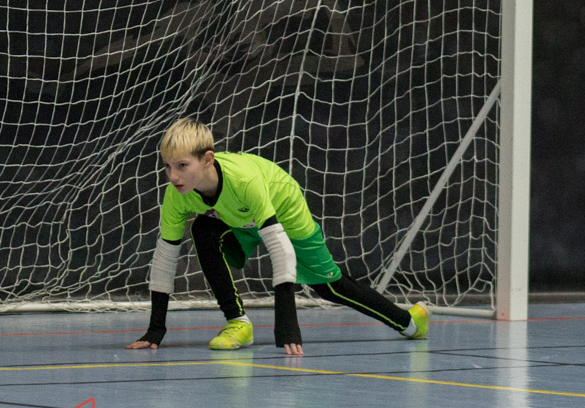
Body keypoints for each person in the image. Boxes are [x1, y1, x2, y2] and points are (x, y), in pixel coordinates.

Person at [126, 118, 428, 355]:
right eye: (168, 167)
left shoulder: (244, 181)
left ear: (207, 159)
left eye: (182, 166)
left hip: (284, 212)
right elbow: (165, 257)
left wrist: (287, 325)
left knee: (329, 287)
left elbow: (279, 249)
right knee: (202, 230)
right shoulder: (177, 195)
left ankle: (410, 322)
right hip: (239, 221)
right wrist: (155, 329)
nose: (173, 176)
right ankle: (238, 323)